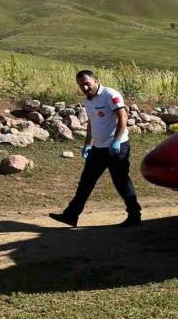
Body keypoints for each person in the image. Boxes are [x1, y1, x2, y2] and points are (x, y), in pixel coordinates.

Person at [49, 70, 142, 228]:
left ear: (95, 81)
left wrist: (117, 141)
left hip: (116, 147)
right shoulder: (88, 100)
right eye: (81, 85)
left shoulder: (110, 94)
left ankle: (134, 215)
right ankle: (71, 215)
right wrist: (87, 143)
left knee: (121, 182)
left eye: (87, 83)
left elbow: (123, 117)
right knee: (86, 182)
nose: (85, 87)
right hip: (98, 148)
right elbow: (92, 123)